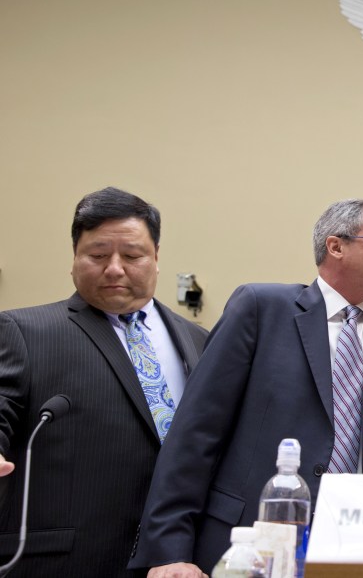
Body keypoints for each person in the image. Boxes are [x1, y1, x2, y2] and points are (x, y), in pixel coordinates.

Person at [130, 198, 363, 577]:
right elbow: (196, 432)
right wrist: (170, 550)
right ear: (336, 246)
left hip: (360, 553)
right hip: (250, 547)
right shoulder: (261, 309)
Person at [0, 187, 208, 578]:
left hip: (173, 561)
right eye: (97, 255)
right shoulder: (24, 331)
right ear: (74, 258)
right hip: (64, 561)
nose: (115, 268)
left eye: (132, 256)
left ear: (156, 258)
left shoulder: (199, 340)